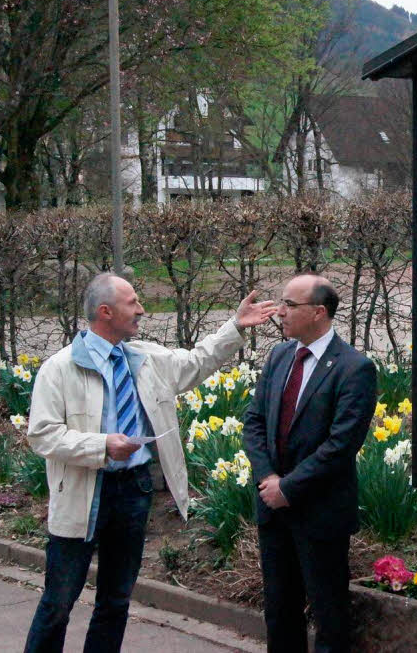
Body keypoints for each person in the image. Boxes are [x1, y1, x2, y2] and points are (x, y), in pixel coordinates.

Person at [24, 272, 274, 652]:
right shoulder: (59, 369)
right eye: (133, 303)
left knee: (116, 600)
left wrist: (235, 326)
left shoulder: (145, 358)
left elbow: (195, 363)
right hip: (82, 492)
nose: (141, 310)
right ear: (105, 312)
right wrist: (102, 445)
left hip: (133, 491)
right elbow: (42, 434)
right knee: (58, 601)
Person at [242, 274, 377, 653]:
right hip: (273, 509)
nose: (279, 312)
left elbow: (341, 445)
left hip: (319, 512)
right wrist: (269, 479)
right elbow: (254, 422)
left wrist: (290, 487)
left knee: (328, 614)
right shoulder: (280, 356)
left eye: (290, 305)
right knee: (280, 613)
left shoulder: (354, 368)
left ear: (319, 312)